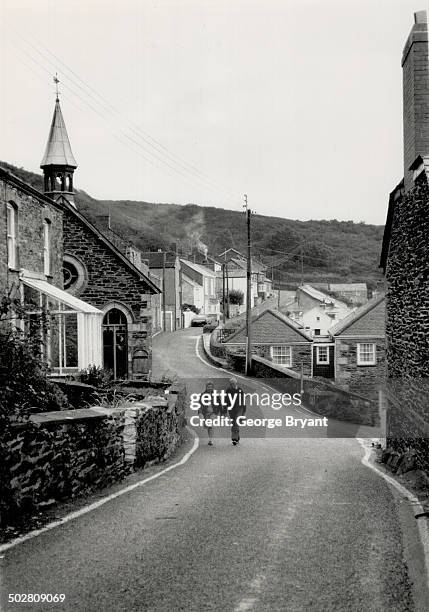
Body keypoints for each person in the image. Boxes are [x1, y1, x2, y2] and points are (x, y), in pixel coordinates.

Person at [225, 377, 246, 445]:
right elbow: (226, 400)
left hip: (240, 408)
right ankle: (237, 436)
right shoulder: (228, 390)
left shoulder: (240, 390)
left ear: (236, 383)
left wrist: (244, 410)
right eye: (231, 384)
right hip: (231, 409)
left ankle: (234, 438)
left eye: (233, 383)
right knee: (234, 423)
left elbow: (243, 400)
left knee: (236, 422)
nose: (232, 385)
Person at [198, 381, 217, 446]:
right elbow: (200, 404)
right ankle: (210, 438)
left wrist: (222, 411)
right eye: (208, 387)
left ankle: (210, 440)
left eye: (211, 387)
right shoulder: (203, 395)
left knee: (211, 425)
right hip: (206, 413)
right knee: (208, 426)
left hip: (213, 413)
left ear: (213, 388)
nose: (210, 388)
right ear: (206, 387)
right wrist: (200, 413)